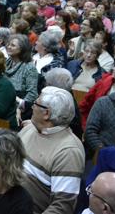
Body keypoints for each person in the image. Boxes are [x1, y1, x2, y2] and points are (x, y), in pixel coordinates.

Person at [19, 86, 85, 214]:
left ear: (47, 113)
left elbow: (62, 206)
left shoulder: (68, 152)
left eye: (35, 104)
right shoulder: (29, 128)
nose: (32, 107)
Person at [5, 34, 39, 118]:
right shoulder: (7, 61)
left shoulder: (29, 67)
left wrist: (19, 106)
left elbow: (32, 94)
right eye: (8, 44)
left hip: (17, 108)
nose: (8, 47)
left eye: (13, 45)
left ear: (22, 48)